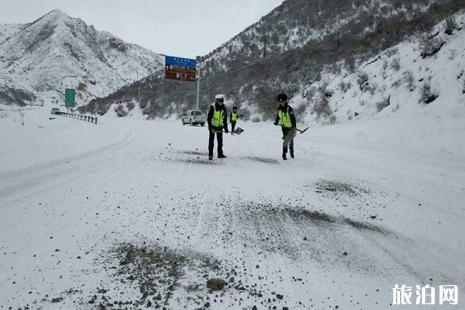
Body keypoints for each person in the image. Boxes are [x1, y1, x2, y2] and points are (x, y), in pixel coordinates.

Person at [274, 93, 296, 160]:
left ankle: (284, 154)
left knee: (286, 140)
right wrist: (276, 122)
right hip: (283, 127)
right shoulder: (279, 109)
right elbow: (278, 116)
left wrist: (294, 127)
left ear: (286, 101)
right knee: (290, 140)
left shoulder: (289, 109)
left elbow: (293, 118)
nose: (281, 103)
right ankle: (291, 151)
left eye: (283, 101)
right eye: (280, 101)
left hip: (290, 127)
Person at [207, 94, 229, 160]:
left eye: (222, 101)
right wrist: (211, 128)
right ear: (217, 101)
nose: (221, 103)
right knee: (211, 141)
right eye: (220, 101)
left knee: (220, 141)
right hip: (213, 127)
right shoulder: (213, 107)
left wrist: (226, 128)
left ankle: (220, 154)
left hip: (219, 126)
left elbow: (224, 119)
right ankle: (210, 155)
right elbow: (209, 118)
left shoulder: (224, 108)